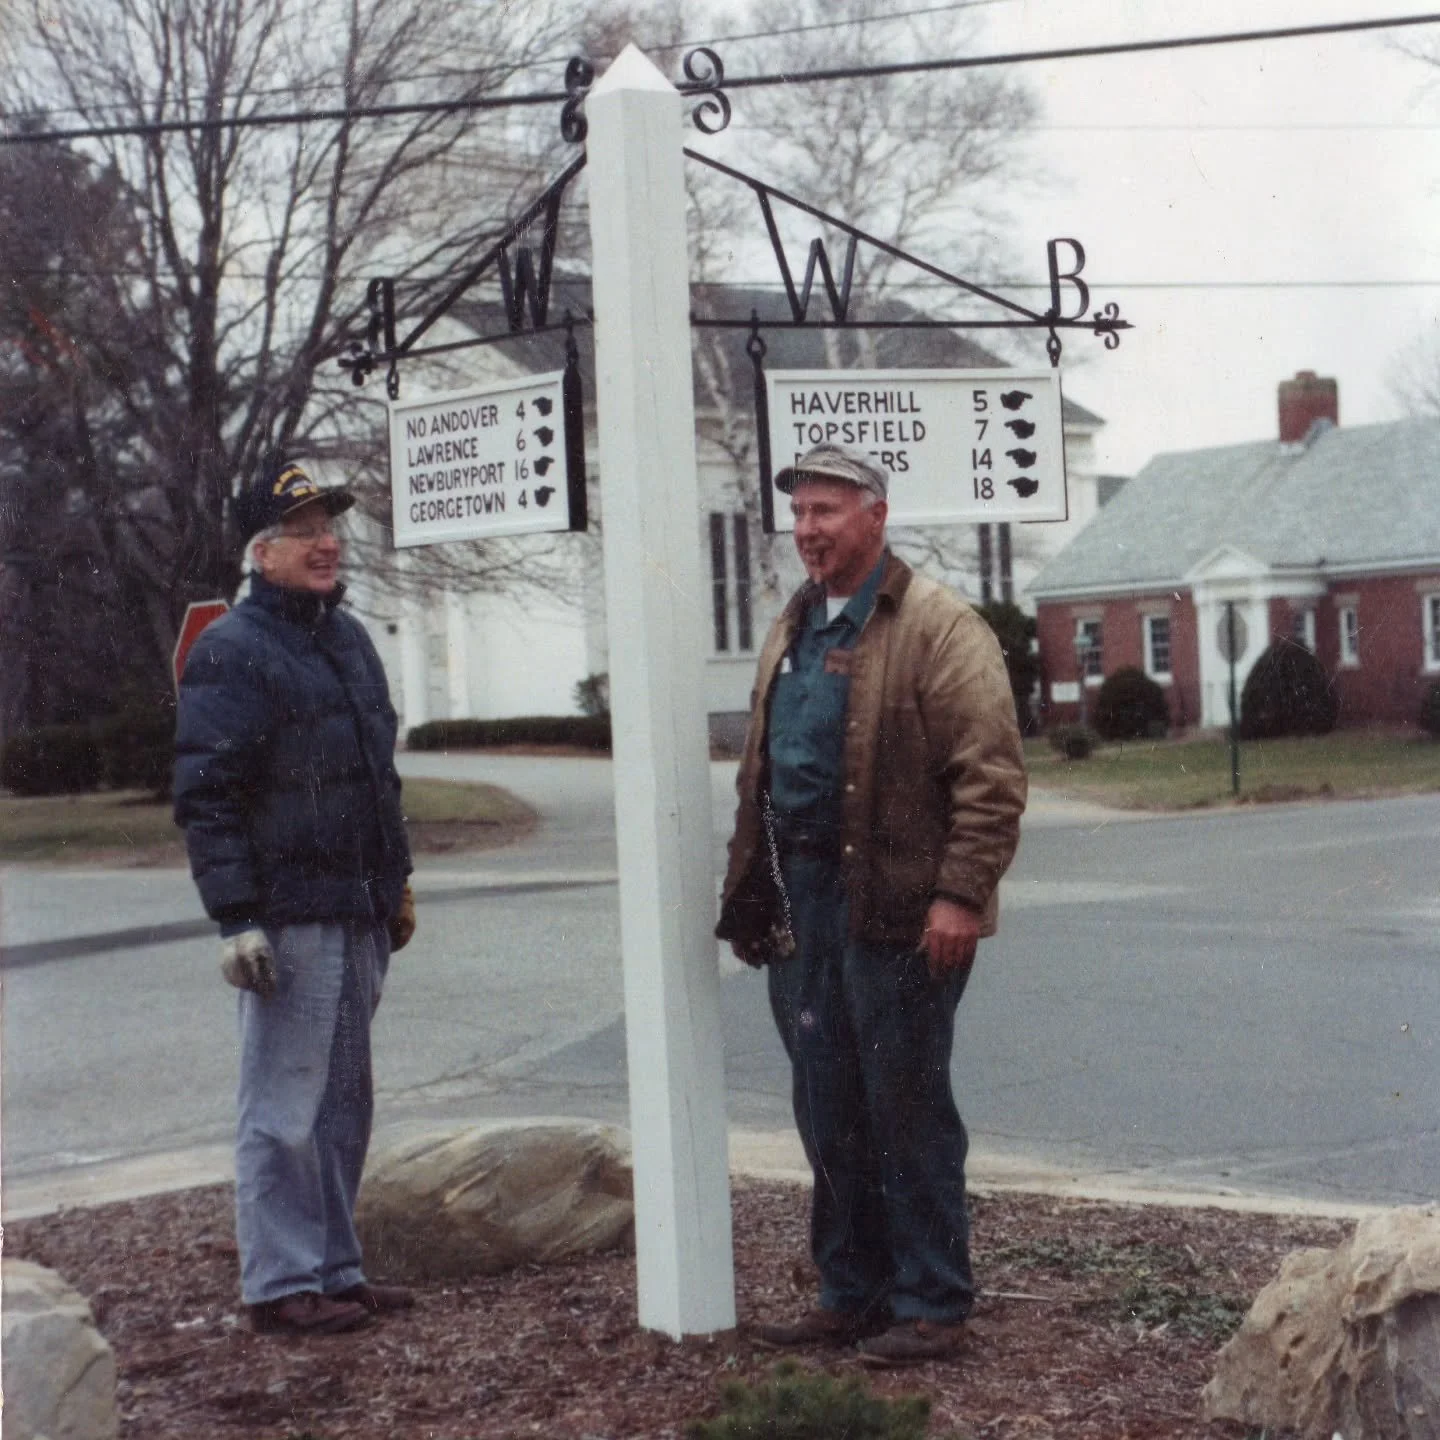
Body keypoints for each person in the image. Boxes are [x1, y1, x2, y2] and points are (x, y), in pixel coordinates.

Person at [716, 442, 1027, 1367]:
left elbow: (993, 779)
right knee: (826, 1103)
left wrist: (960, 897)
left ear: (875, 516)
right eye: (801, 515)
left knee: (906, 1105)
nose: (809, 531)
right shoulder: (795, 623)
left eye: (828, 512)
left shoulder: (940, 626)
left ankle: (932, 1303)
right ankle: (851, 1292)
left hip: (897, 909)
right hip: (799, 904)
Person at [174, 459, 417, 1337]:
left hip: (356, 906)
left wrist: (399, 882)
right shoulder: (233, 650)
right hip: (288, 913)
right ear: (260, 550)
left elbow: (375, 776)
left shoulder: (344, 638)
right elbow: (207, 795)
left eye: (330, 525)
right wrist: (236, 919)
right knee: (284, 1104)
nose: (326, 542)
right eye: (306, 529)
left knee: (345, 1101)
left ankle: (336, 1269)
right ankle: (280, 1282)